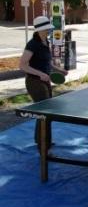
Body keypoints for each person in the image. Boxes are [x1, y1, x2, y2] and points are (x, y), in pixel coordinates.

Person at [19, 16, 68, 148]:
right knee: (44, 114)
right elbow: (22, 65)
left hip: (44, 81)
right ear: (39, 30)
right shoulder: (32, 44)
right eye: (46, 29)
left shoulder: (46, 42)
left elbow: (48, 63)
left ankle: (41, 140)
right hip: (34, 82)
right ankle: (43, 145)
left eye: (49, 29)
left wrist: (60, 70)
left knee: (46, 113)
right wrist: (40, 74)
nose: (49, 31)